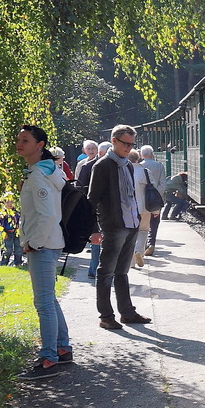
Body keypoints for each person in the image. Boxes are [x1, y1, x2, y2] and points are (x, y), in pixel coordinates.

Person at [15, 125, 71, 380]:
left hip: (43, 244)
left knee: (44, 303)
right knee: (49, 299)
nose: (19, 143)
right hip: (50, 242)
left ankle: (49, 358)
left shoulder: (38, 175)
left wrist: (33, 243)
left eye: (25, 140)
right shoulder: (48, 171)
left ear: (40, 145)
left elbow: (46, 214)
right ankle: (62, 347)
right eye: (18, 139)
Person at [86, 124, 151, 330]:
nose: (129, 148)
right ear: (114, 141)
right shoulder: (102, 166)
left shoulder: (128, 165)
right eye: (126, 143)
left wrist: (137, 221)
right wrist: (94, 228)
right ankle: (106, 316)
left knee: (122, 272)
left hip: (131, 224)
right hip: (113, 226)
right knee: (106, 272)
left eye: (132, 144)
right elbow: (92, 200)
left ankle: (127, 313)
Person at [77, 140, 111, 280]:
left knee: (99, 241)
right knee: (97, 239)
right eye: (89, 148)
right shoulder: (85, 166)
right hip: (95, 208)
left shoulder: (88, 166)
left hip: (101, 208)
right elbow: (80, 187)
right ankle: (95, 269)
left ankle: (95, 269)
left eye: (93, 148)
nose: (91, 151)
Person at [138, 144, 166, 254]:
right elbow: (163, 183)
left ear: (142, 155)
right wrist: (157, 195)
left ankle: (143, 244)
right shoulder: (159, 166)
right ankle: (152, 243)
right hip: (155, 200)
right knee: (154, 222)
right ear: (151, 154)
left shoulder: (139, 166)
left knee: (142, 224)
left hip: (142, 200)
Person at [0, 192, 23, 267]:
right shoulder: (3, 213)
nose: (10, 204)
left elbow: (19, 220)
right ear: (4, 202)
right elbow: (1, 224)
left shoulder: (16, 212)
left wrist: (18, 227)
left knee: (18, 249)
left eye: (11, 202)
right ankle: (4, 263)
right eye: (7, 202)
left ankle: (18, 262)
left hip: (16, 232)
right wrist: (3, 232)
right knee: (8, 249)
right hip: (7, 233)